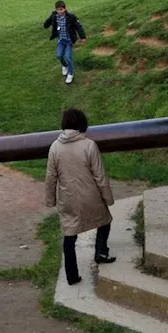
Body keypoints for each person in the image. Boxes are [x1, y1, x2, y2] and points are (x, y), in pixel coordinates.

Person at [44, 108, 116, 286]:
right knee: (105, 221)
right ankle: (101, 252)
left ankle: (72, 275)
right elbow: (100, 176)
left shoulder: (55, 147)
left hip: (67, 198)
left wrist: (50, 200)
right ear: (81, 124)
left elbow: (50, 177)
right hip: (90, 196)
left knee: (69, 235)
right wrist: (108, 198)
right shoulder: (89, 145)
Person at [42, 0, 87, 84]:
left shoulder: (71, 17)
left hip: (69, 41)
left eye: (61, 9)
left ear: (65, 9)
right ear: (56, 10)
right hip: (61, 40)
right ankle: (64, 65)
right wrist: (46, 25)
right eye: (58, 10)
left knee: (68, 57)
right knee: (59, 56)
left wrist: (83, 37)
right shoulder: (54, 16)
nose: (60, 11)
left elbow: (78, 27)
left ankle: (70, 74)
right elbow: (48, 22)